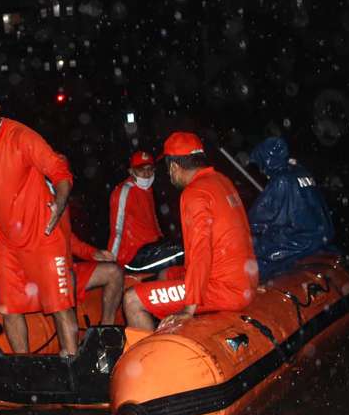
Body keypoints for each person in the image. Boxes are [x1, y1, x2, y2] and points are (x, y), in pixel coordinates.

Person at [0, 79, 78, 355]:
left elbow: (61, 173)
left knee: (60, 307)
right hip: (8, 245)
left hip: (43, 237)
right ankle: (23, 369)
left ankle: (72, 363)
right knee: (9, 309)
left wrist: (59, 201)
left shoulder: (21, 137)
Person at [123, 132, 258, 331]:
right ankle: (174, 333)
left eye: (168, 169)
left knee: (131, 299)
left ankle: (151, 359)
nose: (168, 175)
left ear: (174, 167)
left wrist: (189, 308)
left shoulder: (194, 193)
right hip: (241, 280)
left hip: (223, 288)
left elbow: (200, 252)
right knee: (166, 274)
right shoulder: (222, 181)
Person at [247, 137, 335, 280]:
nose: (262, 171)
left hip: (300, 242)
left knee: (254, 261)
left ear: (267, 161)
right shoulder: (300, 171)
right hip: (319, 237)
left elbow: (259, 217)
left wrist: (242, 230)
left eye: (261, 165)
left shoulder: (281, 181)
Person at [108, 150, 163, 267]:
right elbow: (117, 229)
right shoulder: (124, 191)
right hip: (132, 256)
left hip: (151, 249)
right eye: (141, 170)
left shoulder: (147, 190)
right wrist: (111, 263)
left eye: (150, 169)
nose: (147, 174)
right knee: (181, 251)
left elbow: (153, 223)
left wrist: (161, 241)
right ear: (131, 171)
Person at [70, 232, 124, 325]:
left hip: (66, 268)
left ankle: (105, 329)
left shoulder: (60, 220)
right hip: (45, 275)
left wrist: (93, 253)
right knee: (68, 280)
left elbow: (71, 242)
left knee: (114, 272)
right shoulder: (40, 220)